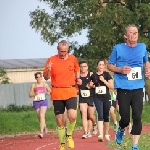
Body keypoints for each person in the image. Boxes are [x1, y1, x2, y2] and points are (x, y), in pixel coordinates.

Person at [107, 24, 150, 150]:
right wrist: (120, 69)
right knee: (125, 118)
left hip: (137, 87)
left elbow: (146, 61)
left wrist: (147, 68)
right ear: (126, 36)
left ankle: (135, 145)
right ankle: (121, 129)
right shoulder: (118, 48)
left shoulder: (142, 47)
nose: (134, 34)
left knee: (137, 116)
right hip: (123, 87)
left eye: (136, 32)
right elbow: (109, 66)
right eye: (131, 32)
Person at [43, 40, 81, 150]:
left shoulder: (73, 59)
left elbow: (77, 70)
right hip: (57, 92)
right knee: (59, 121)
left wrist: (78, 79)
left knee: (72, 116)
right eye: (61, 51)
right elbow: (46, 77)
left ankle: (69, 135)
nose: (63, 53)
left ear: (68, 50)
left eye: (65, 51)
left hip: (70, 91)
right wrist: (48, 70)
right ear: (57, 49)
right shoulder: (51, 60)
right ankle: (62, 143)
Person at [90, 60, 114, 142]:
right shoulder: (93, 75)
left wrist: (104, 80)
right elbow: (89, 86)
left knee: (106, 115)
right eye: (99, 64)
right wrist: (90, 85)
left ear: (104, 66)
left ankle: (106, 133)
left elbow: (112, 87)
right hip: (97, 97)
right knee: (100, 114)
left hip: (106, 97)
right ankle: (100, 134)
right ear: (97, 66)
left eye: (102, 65)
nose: (101, 66)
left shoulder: (107, 75)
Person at [78, 60, 97, 139]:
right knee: (84, 113)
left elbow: (97, 85)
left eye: (85, 66)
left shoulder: (91, 74)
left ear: (87, 67)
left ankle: (94, 124)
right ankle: (86, 132)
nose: (83, 68)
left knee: (91, 116)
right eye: (81, 67)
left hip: (91, 97)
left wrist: (92, 86)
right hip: (82, 97)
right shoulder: (77, 76)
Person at [29, 72, 51, 138]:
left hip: (43, 101)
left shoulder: (45, 85)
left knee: (42, 115)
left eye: (39, 77)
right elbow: (30, 95)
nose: (38, 78)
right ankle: (44, 126)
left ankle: (41, 132)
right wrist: (35, 94)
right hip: (36, 102)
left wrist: (47, 93)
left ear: (42, 77)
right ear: (35, 78)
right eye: (37, 77)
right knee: (39, 117)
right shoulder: (33, 85)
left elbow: (50, 91)